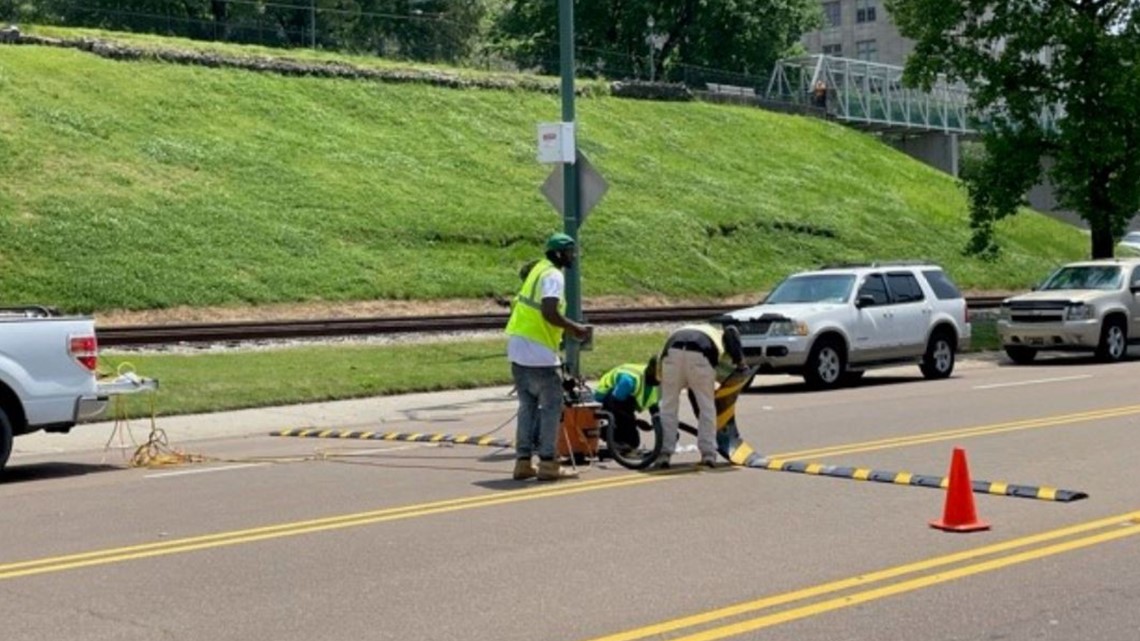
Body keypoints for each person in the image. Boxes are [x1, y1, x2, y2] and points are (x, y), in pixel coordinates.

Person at [505, 232, 592, 481]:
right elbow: (549, 312)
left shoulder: (537, 270)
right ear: (558, 254)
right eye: (570, 252)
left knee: (527, 407)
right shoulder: (553, 275)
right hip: (539, 353)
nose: (573, 256)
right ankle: (548, 463)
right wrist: (575, 328)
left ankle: (522, 463)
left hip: (518, 349)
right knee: (551, 408)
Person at [654, 323, 746, 469]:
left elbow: (658, 366)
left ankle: (664, 454)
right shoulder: (722, 340)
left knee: (668, 408)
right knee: (707, 407)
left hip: (671, 355)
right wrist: (740, 364)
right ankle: (708, 453)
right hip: (699, 356)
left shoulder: (684, 330)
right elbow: (723, 375)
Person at [592, 357, 660, 454]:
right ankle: (601, 433)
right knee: (630, 440)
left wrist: (665, 430)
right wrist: (632, 422)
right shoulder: (629, 381)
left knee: (633, 441)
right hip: (606, 396)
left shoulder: (654, 384)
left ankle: (618, 437)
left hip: (622, 401)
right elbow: (614, 404)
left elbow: (655, 410)